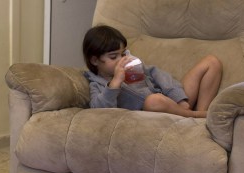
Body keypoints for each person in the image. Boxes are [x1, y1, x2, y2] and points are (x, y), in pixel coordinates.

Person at [82, 25, 222, 118]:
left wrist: (179, 98)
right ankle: (198, 116)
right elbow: (99, 110)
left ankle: (199, 112)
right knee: (153, 101)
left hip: (173, 102)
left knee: (211, 62)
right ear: (95, 61)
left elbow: (158, 75)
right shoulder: (97, 84)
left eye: (123, 53)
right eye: (113, 57)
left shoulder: (131, 65)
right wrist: (115, 83)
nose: (121, 59)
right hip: (154, 109)